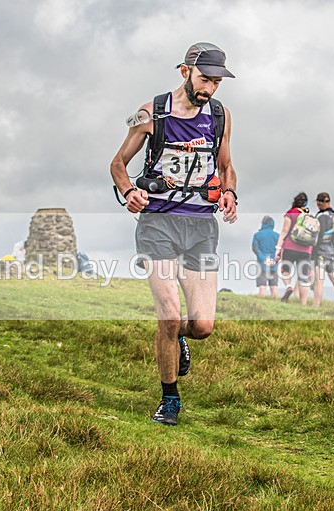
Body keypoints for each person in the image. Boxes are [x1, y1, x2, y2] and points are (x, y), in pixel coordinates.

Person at [110, 42, 237, 425]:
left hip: (201, 227)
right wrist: (129, 192)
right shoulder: (150, 113)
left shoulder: (220, 116)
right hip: (158, 223)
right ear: (185, 72)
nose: (209, 88)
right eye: (204, 79)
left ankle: (179, 335)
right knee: (168, 315)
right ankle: (170, 400)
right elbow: (118, 163)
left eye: (216, 82)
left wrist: (230, 192)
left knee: (202, 326)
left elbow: (226, 166)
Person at [275, 192, 317, 305]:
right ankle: (303, 304)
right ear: (306, 203)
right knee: (304, 278)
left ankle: (288, 286)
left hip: (290, 247)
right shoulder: (310, 216)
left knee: (285, 270)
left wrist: (278, 248)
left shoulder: (290, 213)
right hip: (306, 250)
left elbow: (285, 231)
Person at [313, 192, 334, 307]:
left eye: (318, 202)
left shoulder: (322, 216)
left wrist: (313, 250)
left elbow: (319, 236)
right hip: (332, 252)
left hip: (321, 252)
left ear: (319, 202)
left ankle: (315, 307)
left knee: (319, 282)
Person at [252, 215, 279, 297]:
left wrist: (263, 259)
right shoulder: (277, 236)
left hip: (262, 264)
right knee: (274, 286)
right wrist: (275, 261)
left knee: (262, 286)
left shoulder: (257, 235)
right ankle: (276, 302)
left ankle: (261, 301)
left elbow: (255, 249)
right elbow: (280, 250)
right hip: (273, 264)